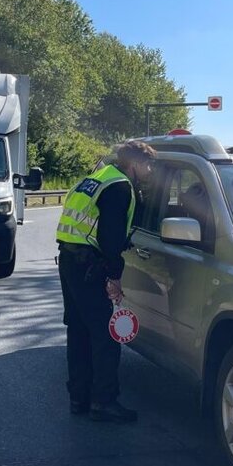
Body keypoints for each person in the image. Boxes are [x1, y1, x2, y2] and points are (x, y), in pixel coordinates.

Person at [55, 140, 156, 423]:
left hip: (69, 260)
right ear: (134, 164)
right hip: (90, 265)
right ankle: (104, 401)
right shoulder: (120, 187)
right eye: (148, 165)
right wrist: (113, 275)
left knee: (78, 332)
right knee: (105, 336)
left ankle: (79, 397)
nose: (149, 171)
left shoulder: (95, 178)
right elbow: (110, 238)